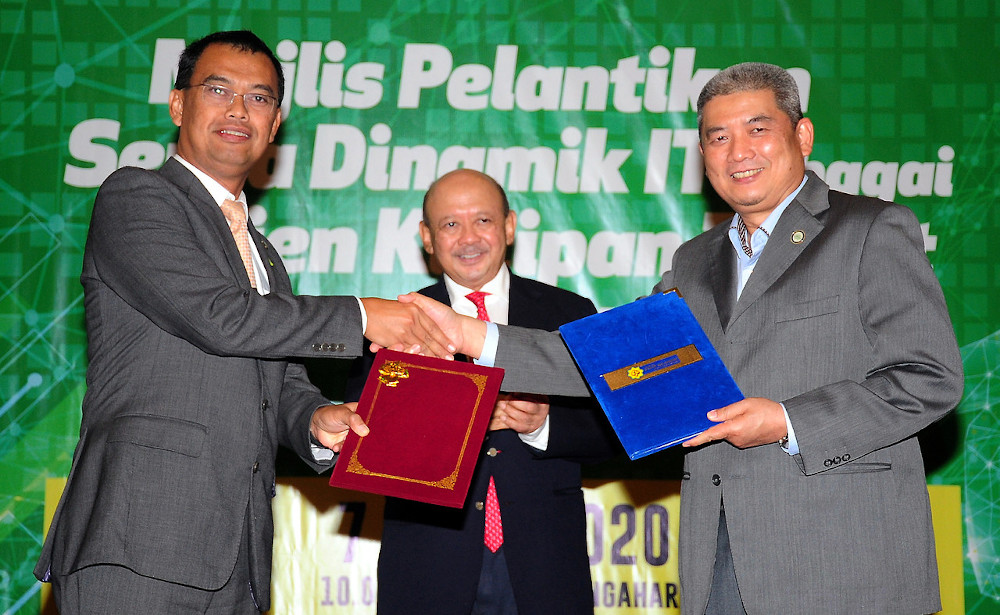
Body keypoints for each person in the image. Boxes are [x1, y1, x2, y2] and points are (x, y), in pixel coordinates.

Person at [405, 63, 964, 614]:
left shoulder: (869, 230)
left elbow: (930, 378)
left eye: (757, 129)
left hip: (841, 560)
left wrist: (787, 421)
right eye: (717, 137)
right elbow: (605, 360)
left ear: (802, 134)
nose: (737, 151)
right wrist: (472, 335)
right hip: (716, 559)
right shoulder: (693, 262)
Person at [33, 30, 455, 614]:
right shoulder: (137, 196)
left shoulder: (263, 253)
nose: (238, 109)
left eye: (259, 98)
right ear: (179, 103)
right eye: (219, 89)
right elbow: (219, 318)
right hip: (139, 539)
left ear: (275, 122)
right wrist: (361, 316)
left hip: (239, 555)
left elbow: (276, 383)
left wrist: (315, 418)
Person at [347, 169, 618, 614]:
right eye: (450, 224)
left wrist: (544, 425)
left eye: (484, 221)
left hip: (543, 564)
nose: (468, 237)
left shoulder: (569, 312)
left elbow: (613, 430)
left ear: (509, 226)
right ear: (427, 238)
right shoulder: (392, 322)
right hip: (428, 565)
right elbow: (364, 439)